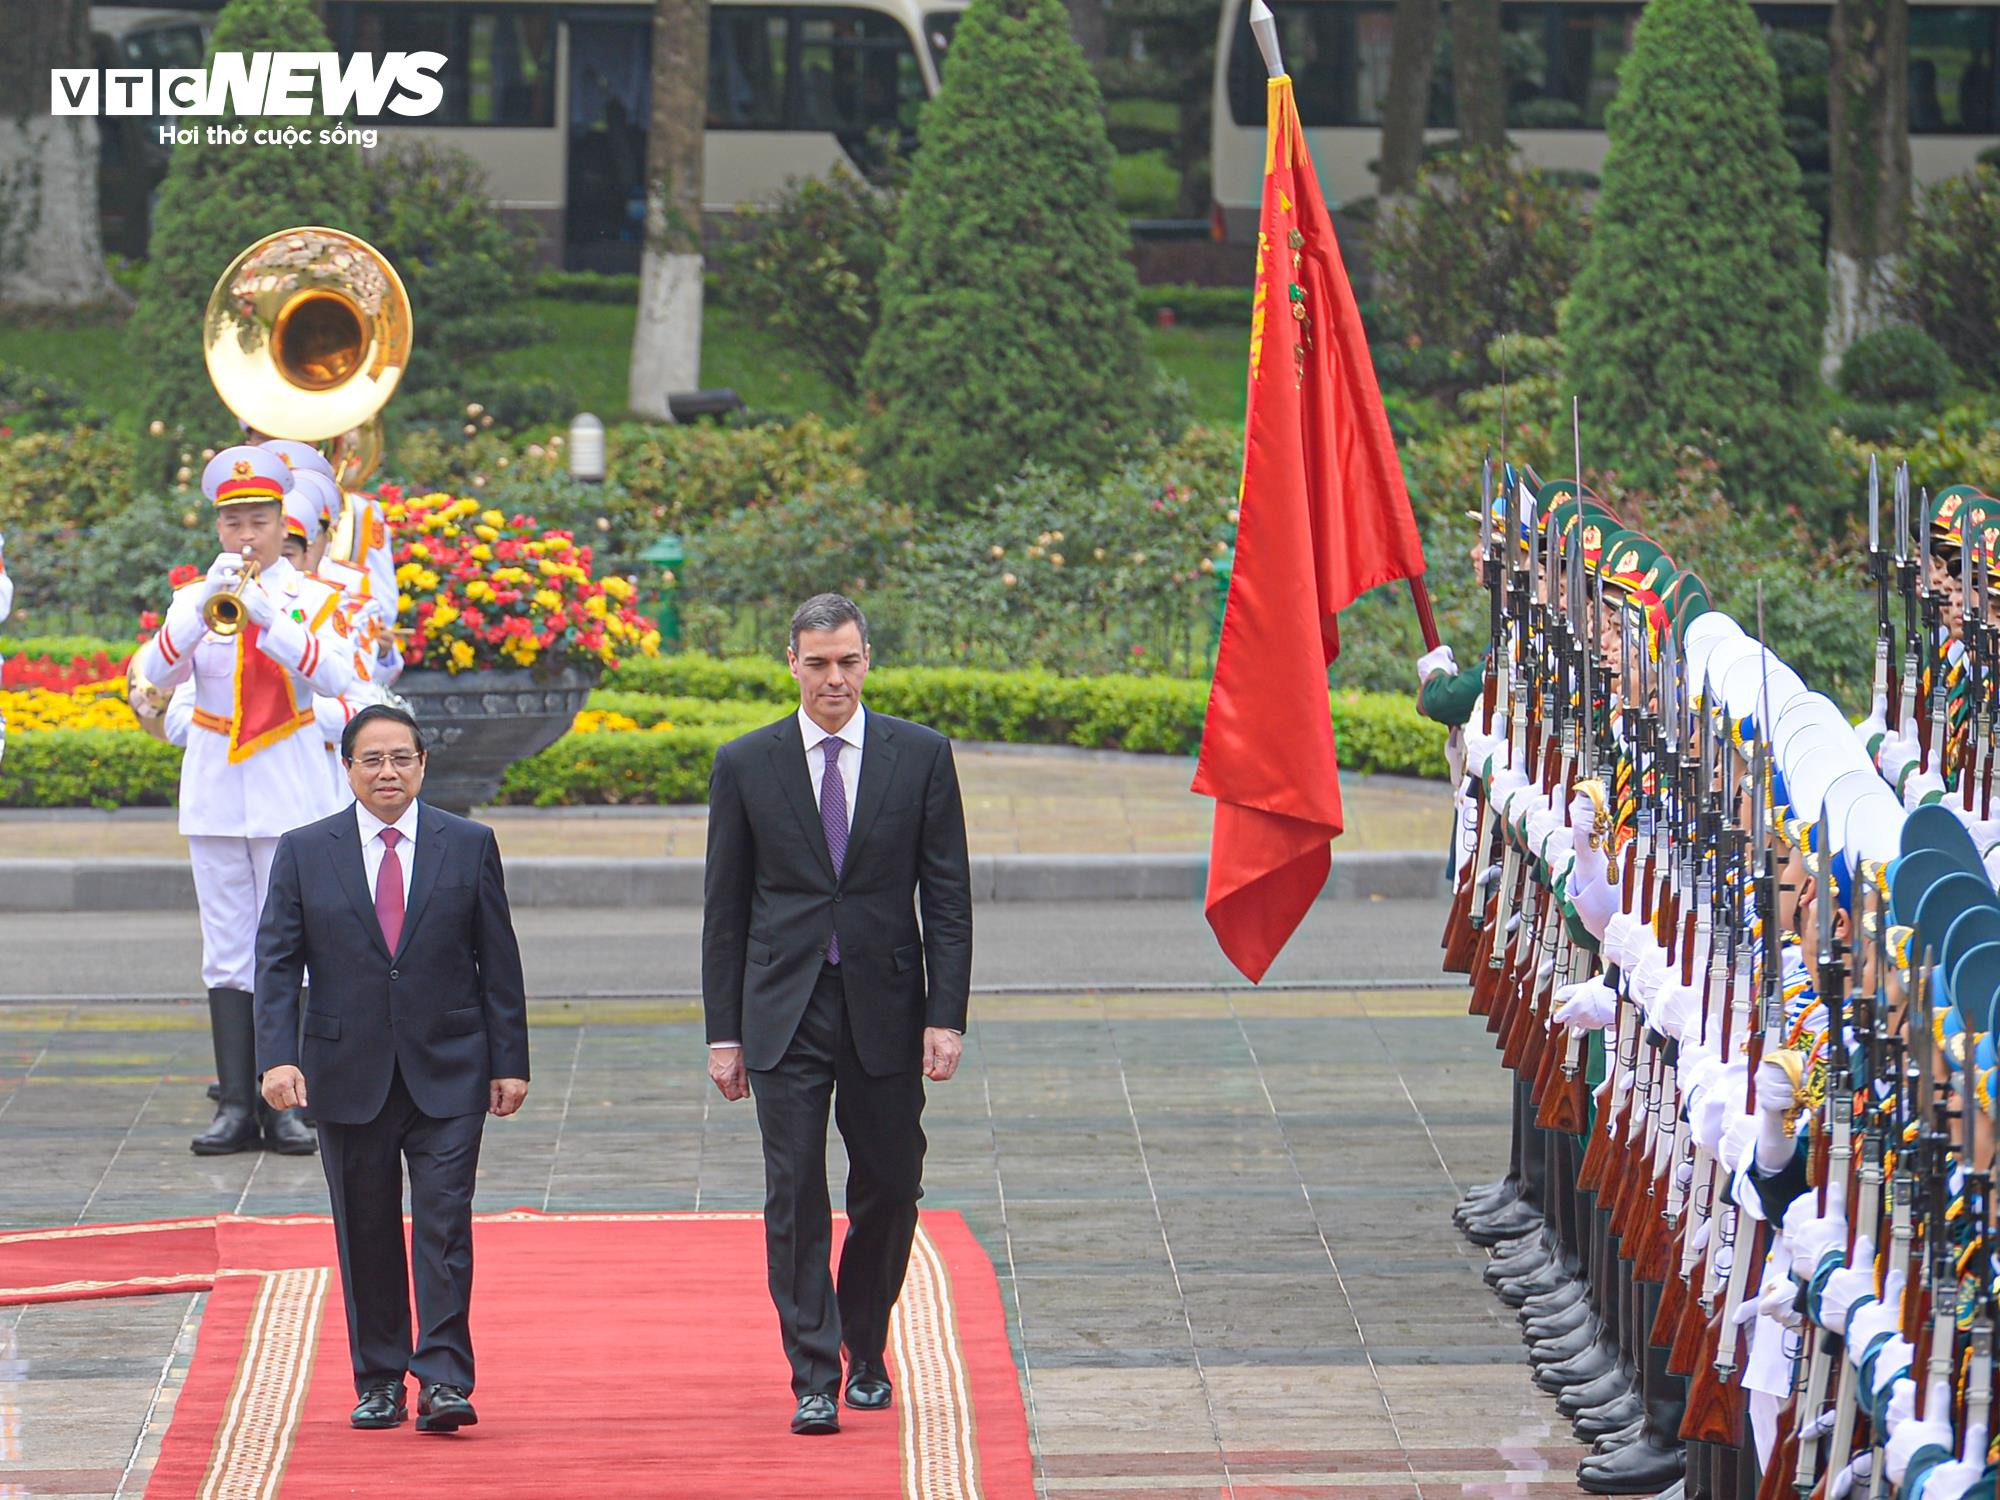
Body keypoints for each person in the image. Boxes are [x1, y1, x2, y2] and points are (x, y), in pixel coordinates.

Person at [702, 592, 973, 1436]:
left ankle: (864, 1337)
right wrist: (724, 1032)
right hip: (784, 1007)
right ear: (791, 663)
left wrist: (947, 1013)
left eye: (847, 661)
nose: (833, 678)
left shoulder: (920, 756)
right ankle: (813, 1373)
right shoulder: (747, 763)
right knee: (795, 1192)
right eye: (817, 662)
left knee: (891, 1185)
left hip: (888, 1007)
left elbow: (950, 898)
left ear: (867, 662)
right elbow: (726, 908)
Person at [254, 703, 530, 1435]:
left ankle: (443, 1378)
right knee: (367, 1230)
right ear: (346, 768)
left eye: (401, 758)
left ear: (421, 765)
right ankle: (379, 1379)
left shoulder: (468, 844)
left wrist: (511, 1061)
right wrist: (277, 1056)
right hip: (347, 1073)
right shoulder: (305, 850)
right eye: (372, 759)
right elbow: (277, 963)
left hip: (451, 1068)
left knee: (444, 1228)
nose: (387, 772)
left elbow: (498, 962)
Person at [127, 445, 355, 1155]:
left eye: (258, 521)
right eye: (234, 524)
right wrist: (201, 612)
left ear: (282, 521)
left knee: (293, 948)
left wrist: (268, 617)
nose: (246, 537)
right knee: (227, 952)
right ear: (219, 528)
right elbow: (154, 671)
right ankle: (234, 1104)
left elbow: (338, 677)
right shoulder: (194, 599)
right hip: (218, 794)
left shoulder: (312, 599)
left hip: (290, 794)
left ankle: (288, 1102)